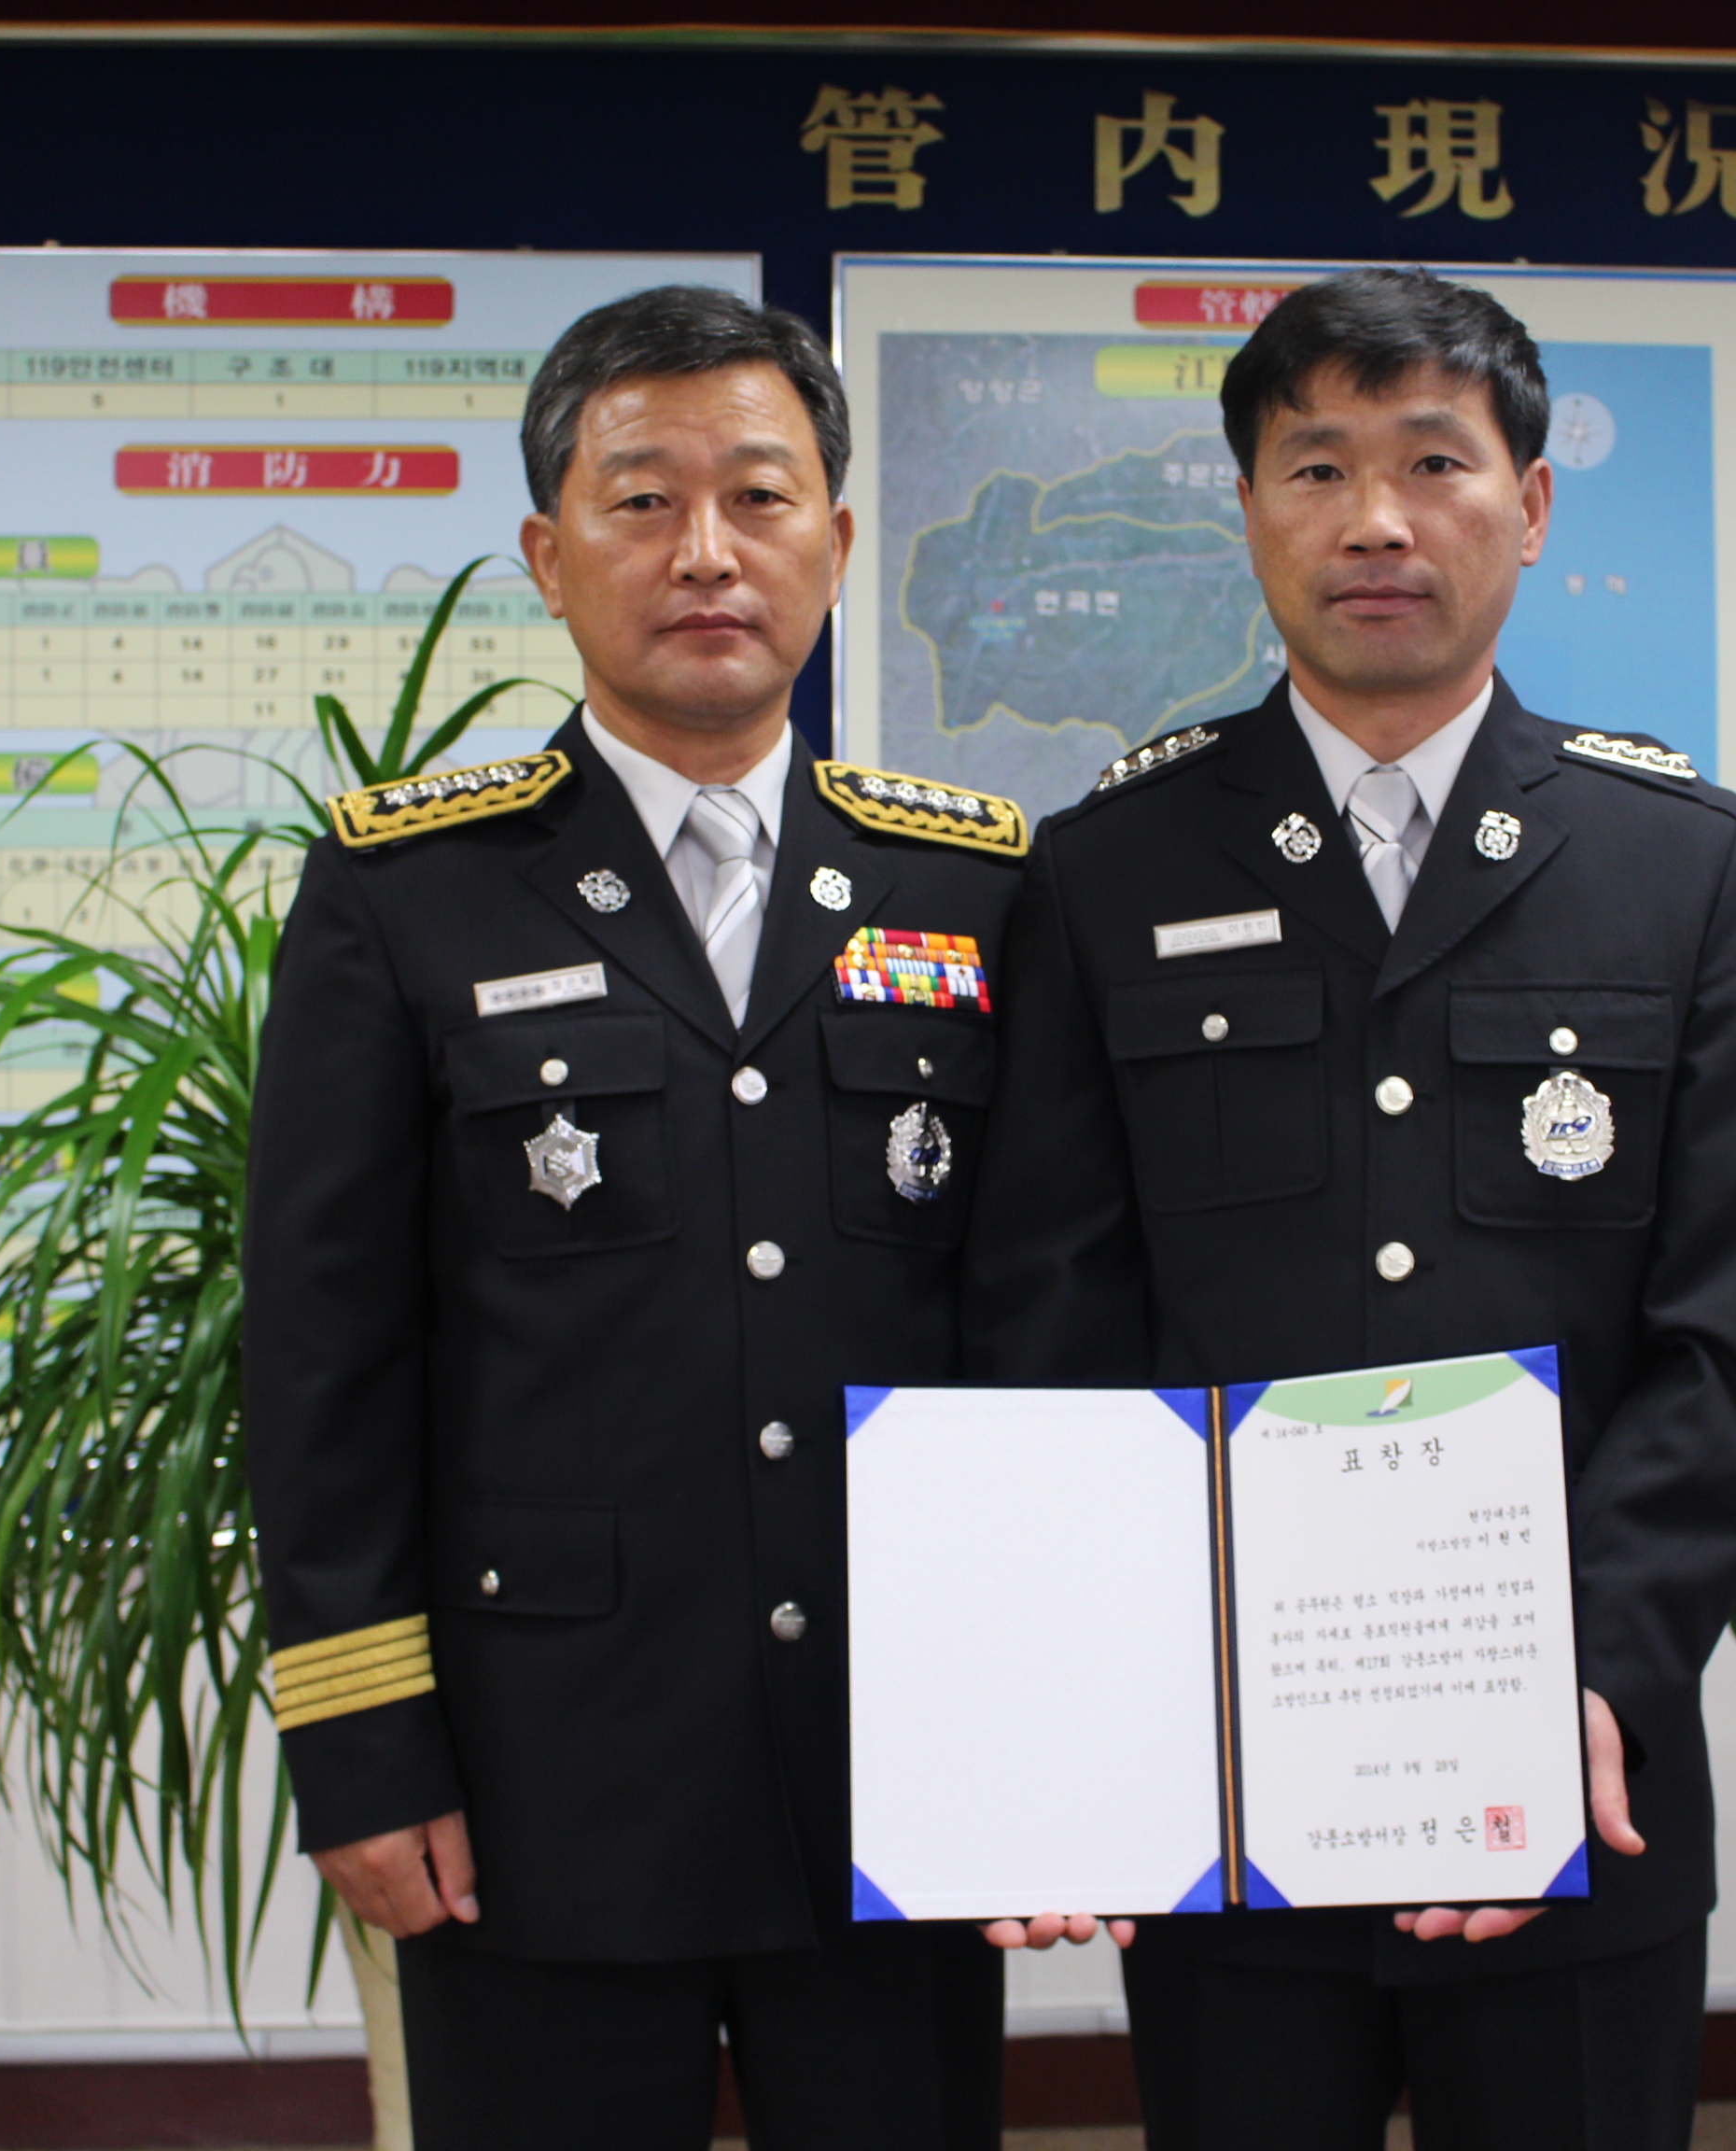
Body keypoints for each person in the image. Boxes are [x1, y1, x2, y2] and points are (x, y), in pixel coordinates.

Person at [961, 267, 1736, 2151]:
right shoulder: (1110, 867)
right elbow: (1056, 1317)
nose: (1375, 520)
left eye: (1434, 461)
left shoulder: (1680, 867)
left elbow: (1733, 1331)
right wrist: (1085, 1703)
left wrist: (1592, 1670)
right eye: (1317, 467)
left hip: (1571, 1772)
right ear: (1247, 509)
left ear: (1532, 502)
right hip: (1226, 1771)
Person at [245, 285, 1024, 2151]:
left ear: (837, 541)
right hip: (545, 1774)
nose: (706, 554)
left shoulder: (977, 884)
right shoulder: (406, 892)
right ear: (548, 554)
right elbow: (325, 1352)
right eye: (642, 501)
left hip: (897, 1756)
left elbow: (1038, 1320)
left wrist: (1047, 1724)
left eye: (758, 497)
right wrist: (361, 1741)